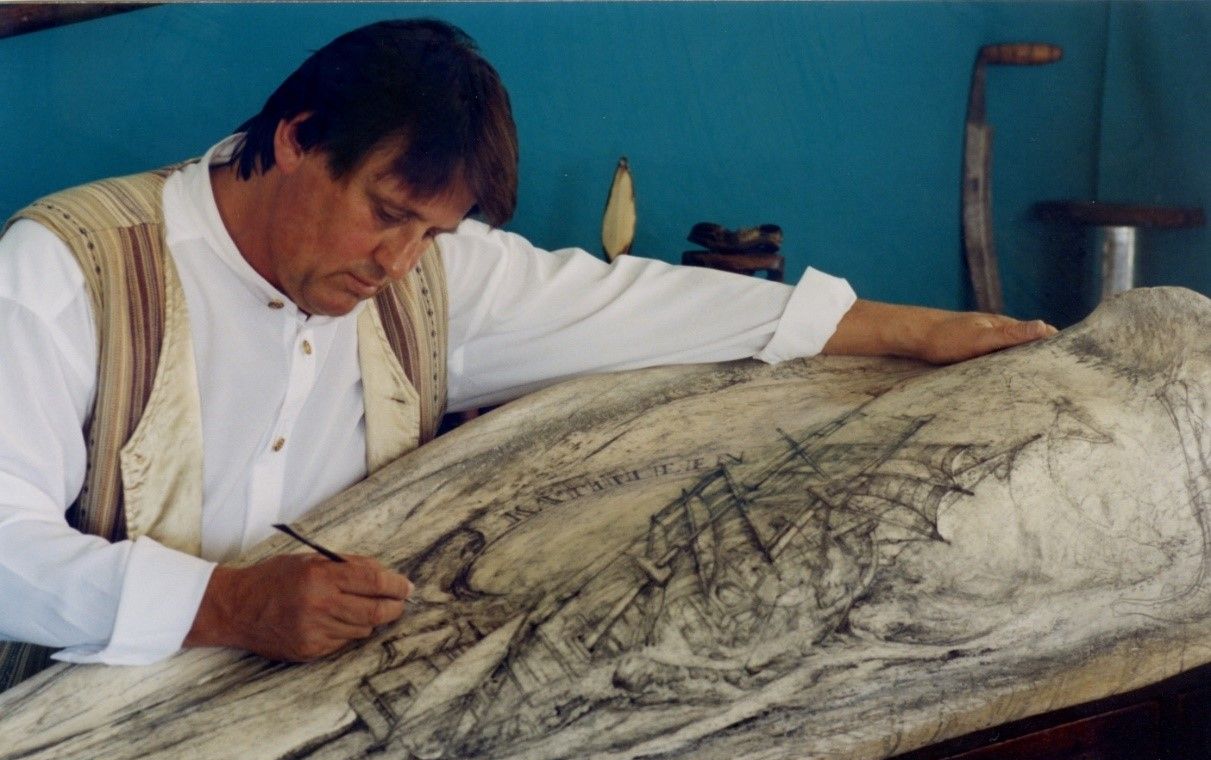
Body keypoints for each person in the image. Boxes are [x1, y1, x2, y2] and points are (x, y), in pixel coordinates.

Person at [0, 19, 1055, 690]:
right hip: (68, 732)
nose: (398, 261)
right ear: (293, 137)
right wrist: (227, 605)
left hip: (313, 718)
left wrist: (914, 329)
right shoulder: (66, 268)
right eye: (385, 212)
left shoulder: (423, 272)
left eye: (434, 235)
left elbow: (647, 305)